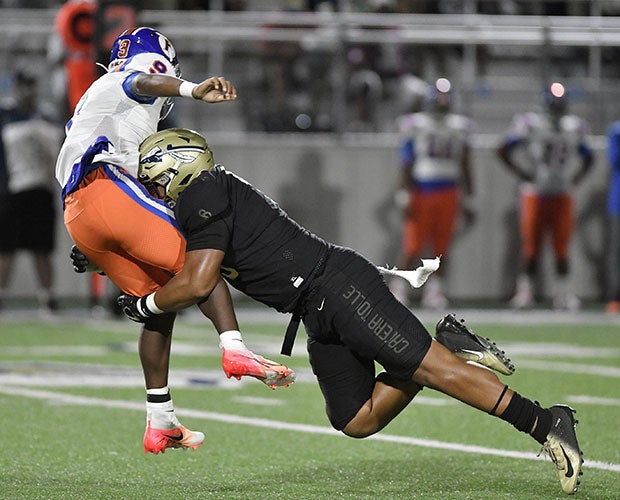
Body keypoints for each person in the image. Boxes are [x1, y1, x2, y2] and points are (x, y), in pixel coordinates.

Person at [119, 127, 582, 495]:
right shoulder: (206, 197)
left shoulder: (203, 191)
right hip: (317, 307)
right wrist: (104, 256)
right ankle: (443, 345)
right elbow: (171, 254)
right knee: (357, 419)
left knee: (435, 372)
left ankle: (545, 422)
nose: (156, 191)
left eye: (155, 180)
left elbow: (199, 281)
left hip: (336, 287)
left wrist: (142, 305)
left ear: (174, 167)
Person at [56, 27, 295, 455]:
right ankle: (235, 348)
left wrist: (98, 245)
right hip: (103, 187)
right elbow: (141, 81)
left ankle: (160, 419)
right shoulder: (126, 81)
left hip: (80, 212)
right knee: (202, 262)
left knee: (161, 302)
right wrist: (192, 89)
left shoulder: (103, 101)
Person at [497, 82, 594, 311]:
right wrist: (523, 173)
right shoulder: (531, 124)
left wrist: (574, 179)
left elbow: (589, 157)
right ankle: (525, 292)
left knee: (561, 247)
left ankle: (564, 293)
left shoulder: (574, 127)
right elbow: (503, 149)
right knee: (531, 246)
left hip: (561, 194)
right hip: (535, 194)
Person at [390, 78, 475, 310]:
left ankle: (434, 291)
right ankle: (398, 289)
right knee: (413, 245)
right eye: (438, 97)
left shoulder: (459, 126)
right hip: (422, 189)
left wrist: (468, 196)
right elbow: (407, 161)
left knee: (441, 246)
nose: (441, 102)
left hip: (449, 190)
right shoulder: (417, 124)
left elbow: (465, 163)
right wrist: (404, 191)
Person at [0, 70, 63, 313]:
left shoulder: (46, 115)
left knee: (42, 249)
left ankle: (47, 297)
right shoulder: (6, 115)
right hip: (11, 191)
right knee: (5, 249)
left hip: (40, 189)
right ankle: (2, 295)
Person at [605, 120, 620, 313]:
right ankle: (616, 297)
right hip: (619, 201)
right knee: (618, 252)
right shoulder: (616, 131)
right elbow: (615, 160)